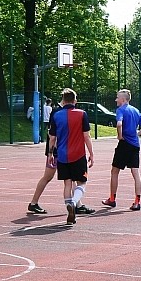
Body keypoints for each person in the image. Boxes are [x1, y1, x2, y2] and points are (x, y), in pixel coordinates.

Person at [28, 99, 95, 215]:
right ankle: (34, 202)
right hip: (58, 151)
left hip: (62, 151)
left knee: (70, 179)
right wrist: (52, 152)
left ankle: (77, 205)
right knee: (48, 176)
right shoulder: (57, 112)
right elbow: (51, 134)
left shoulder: (62, 112)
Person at [48, 88, 95, 225]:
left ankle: (69, 206)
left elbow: (52, 138)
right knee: (82, 182)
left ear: (63, 100)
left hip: (62, 155)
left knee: (67, 183)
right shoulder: (82, 114)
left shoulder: (56, 115)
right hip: (78, 155)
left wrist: (50, 154)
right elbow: (86, 136)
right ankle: (74, 202)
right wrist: (91, 153)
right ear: (75, 100)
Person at [102, 89, 141, 211]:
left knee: (114, 171)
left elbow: (119, 124)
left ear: (123, 99)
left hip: (124, 144)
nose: (116, 100)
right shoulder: (135, 110)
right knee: (136, 173)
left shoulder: (121, 110)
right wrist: (138, 134)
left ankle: (112, 199)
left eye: (117, 97)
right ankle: (137, 202)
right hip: (135, 145)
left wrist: (120, 135)